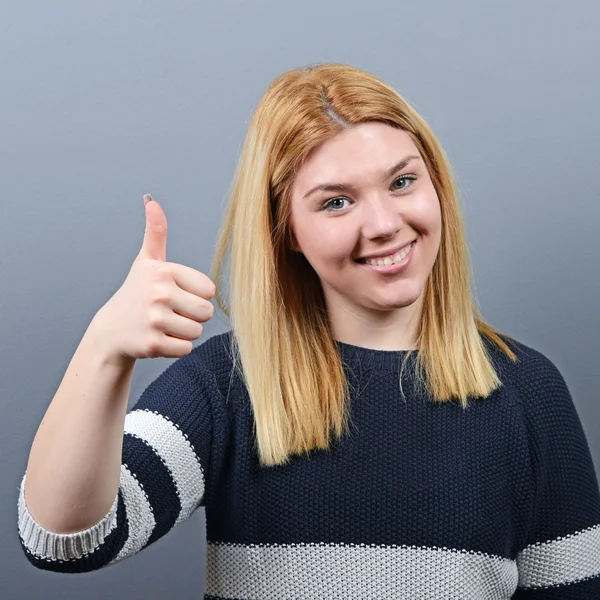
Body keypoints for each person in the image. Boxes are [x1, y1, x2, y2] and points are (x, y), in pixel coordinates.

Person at [17, 63, 600, 599]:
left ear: (437, 186)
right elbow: (66, 541)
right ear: (287, 232)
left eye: (402, 183)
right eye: (337, 203)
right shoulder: (227, 386)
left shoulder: (530, 395)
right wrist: (104, 349)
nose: (383, 225)